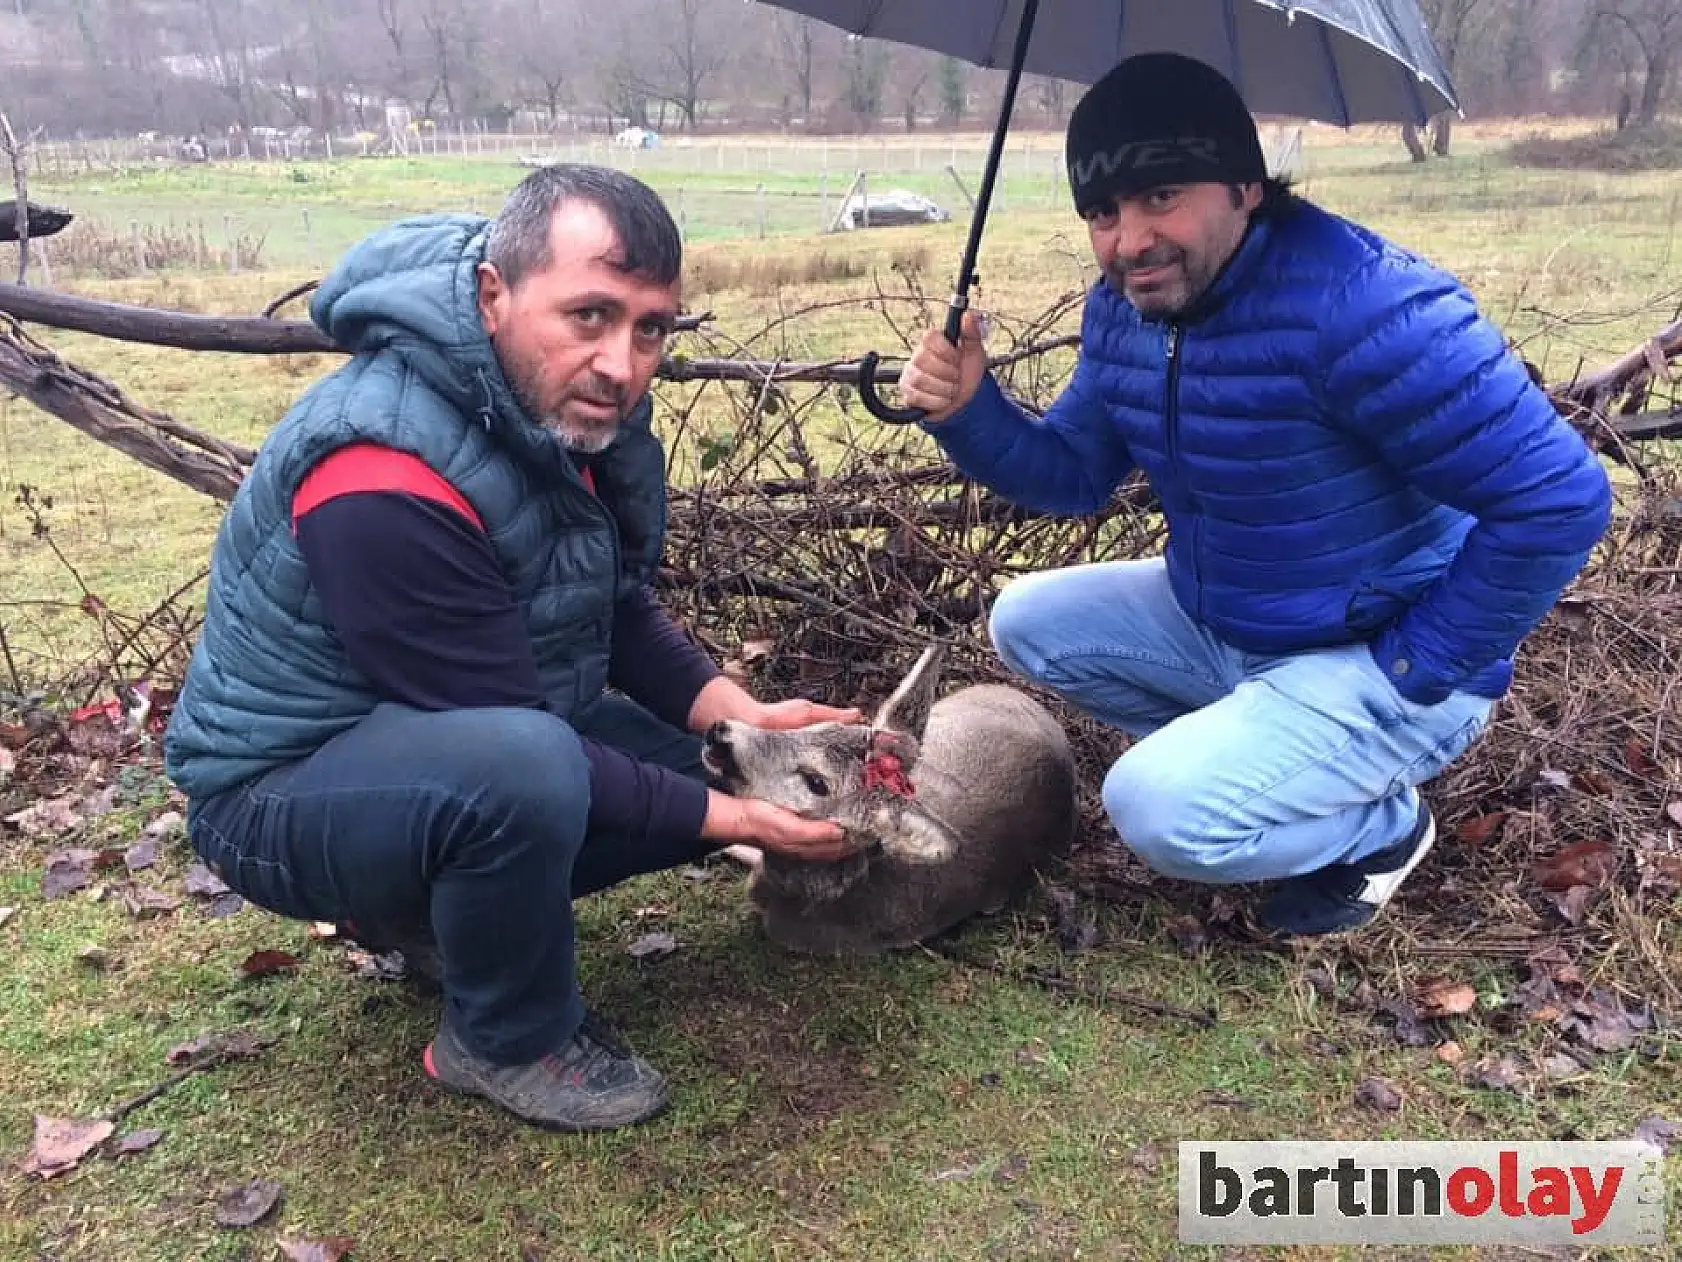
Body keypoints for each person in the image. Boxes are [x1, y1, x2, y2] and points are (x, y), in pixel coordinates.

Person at [163, 164, 866, 1133]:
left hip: (438, 744)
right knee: (531, 773)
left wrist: (734, 718)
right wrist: (732, 820)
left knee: (719, 766)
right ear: (494, 293)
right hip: (278, 794)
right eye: (589, 314)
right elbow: (503, 738)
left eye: (649, 326)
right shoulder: (381, 469)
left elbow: (609, 603)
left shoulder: (542, 403)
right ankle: (502, 1036)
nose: (621, 362)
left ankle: (429, 915)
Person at [897, 53, 1612, 938]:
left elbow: (1561, 500)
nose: (1129, 242)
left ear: (1246, 184)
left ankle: (1384, 829)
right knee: (1027, 620)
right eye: (1103, 212)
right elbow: (1074, 476)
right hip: (1236, 624)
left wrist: (1417, 666)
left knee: (1158, 810)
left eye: (1162, 197)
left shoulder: (1369, 309)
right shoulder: (1128, 311)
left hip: (1380, 654)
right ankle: (1279, 753)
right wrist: (971, 412)